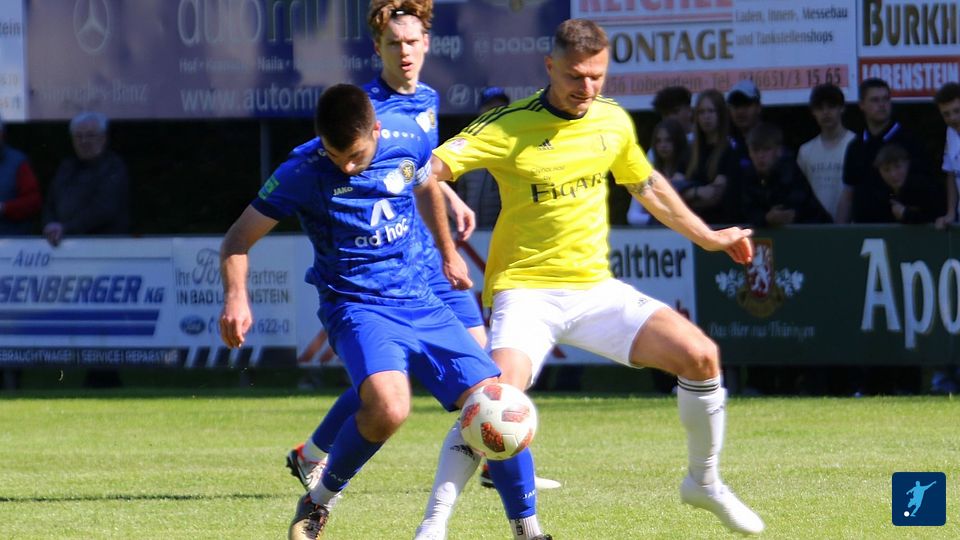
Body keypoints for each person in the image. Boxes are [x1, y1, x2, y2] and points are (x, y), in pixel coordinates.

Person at [418, 19, 764, 537]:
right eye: (576, 76)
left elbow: (647, 185)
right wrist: (441, 215)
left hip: (595, 290)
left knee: (701, 356)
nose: (587, 87)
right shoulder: (507, 125)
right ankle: (433, 524)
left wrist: (709, 237)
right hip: (526, 291)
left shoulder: (612, 120)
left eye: (597, 76)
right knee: (494, 400)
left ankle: (704, 481)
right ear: (550, 66)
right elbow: (429, 168)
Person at [219, 84, 550, 540]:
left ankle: (529, 531)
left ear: (376, 129)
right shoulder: (302, 169)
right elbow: (237, 240)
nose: (346, 166)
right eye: (336, 155)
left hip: (419, 298)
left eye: (355, 155)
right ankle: (318, 501)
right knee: (390, 408)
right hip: (356, 306)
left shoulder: (407, 137)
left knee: (497, 402)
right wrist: (236, 297)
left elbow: (427, 184)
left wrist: (448, 251)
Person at [836, 78, 933, 223]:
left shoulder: (910, 141)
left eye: (886, 99)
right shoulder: (855, 146)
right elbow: (848, 194)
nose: (882, 105)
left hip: (902, 229)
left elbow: (926, 191)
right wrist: (839, 231)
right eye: (875, 100)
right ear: (862, 105)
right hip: (864, 230)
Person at [42, 111, 130, 246]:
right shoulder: (66, 167)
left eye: (90, 135)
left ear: (103, 138)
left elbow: (104, 209)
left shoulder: (114, 167)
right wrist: (50, 224)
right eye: (78, 136)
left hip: (105, 247)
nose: (84, 141)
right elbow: (50, 203)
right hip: (63, 246)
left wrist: (66, 228)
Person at [741, 122, 832, 227]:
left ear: (778, 151)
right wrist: (765, 218)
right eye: (755, 150)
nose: (760, 155)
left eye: (766, 149)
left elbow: (795, 210)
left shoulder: (791, 174)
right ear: (749, 152)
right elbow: (747, 210)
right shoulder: (748, 177)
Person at [796, 84, 855, 222]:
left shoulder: (856, 144)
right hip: (814, 226)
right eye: (820, 108)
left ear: (842, 108)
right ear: (813, 112)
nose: (826, 112)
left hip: (852, 228)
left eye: (831, 106)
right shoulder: (805, 151)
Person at [684, 89, 742, 224]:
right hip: (692, 227)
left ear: (720, 114)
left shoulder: (729, 150)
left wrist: (687, 195)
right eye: (701, 112)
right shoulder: (689, 151)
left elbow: (713, 197)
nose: (706, 117)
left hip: (720, 225)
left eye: (711, 111)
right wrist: (698, 192)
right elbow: (673, 190)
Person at [454, 86, 509, 227]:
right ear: (481, 112)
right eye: (490, 108)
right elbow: (462, 195)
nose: (495, 113)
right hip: (472, 233)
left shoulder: (514, 148)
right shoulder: (469, 147)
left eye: (500, 108)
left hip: (504, 232)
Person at [627, 118, 689, 227]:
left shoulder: (689, 171)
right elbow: (632, 216)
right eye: (659, 141)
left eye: (668, 140)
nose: (663, 145)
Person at [873, 143, 944, 224]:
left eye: (898, 167)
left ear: (907, 164)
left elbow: (936, 217)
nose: (893, 174)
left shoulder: (923, 188)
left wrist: (906, 214)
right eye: (886, 170)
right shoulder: (878, 194)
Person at [0, 114, 42, 235]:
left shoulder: (18, 162)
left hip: (12, 240)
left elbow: (34, 201)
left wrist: (4, 208)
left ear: (2, 135)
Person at [934, 82, 960, 228]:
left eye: (957, 111)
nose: (953, 118)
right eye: (946, 114)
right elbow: (951, 174)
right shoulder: (950, 132)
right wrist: (951, 213)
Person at [727, 79, 763, 172]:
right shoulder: (726, 146)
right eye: (736, 106)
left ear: (758, 107)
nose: (740, 111)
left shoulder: (771, 141)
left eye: (746, 104)